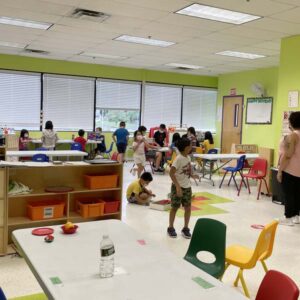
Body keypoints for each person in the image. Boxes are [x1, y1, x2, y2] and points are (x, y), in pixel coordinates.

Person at [277, 111, 300, 226]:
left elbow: (288, 155)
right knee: (297, 194)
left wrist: (280, 170)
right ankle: (296, 216)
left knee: (289, 194)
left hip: (290, 170)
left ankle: (288, 218)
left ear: (291, 123)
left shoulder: (292, 136)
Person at [168, 137, 193, 239]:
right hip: (177, 187)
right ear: (185, 147)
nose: (191, 147)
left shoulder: (188, 157)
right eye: (190, 145)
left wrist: (193, 175)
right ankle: (170, 227)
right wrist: (178, 187)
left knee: (188, 208)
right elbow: (171, 173)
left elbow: (187, 170)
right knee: (174, 207)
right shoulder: (178, 159)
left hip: (187, 187)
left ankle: (185, 228)